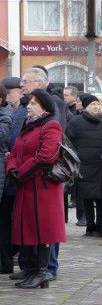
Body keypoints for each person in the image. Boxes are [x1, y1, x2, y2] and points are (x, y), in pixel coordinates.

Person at [5, 89, 65, 289]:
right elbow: (15, 151)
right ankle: (31, 269)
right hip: (27, 186)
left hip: (43, 187)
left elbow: (47, 156)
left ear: (44, 107)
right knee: (28, 228)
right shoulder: (29, 125)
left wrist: (20, 172)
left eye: (33, 104)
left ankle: (42, 272)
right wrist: (12, 168)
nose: (28, 107)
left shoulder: (51, 126)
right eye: (29, 103)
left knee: (43, 231)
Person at [66, 95, 102, 237]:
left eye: (97, 104)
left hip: (100, 167)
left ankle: (99, 227)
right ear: (86, 106)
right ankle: (90, 226)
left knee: (101, 199)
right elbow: (68, 142)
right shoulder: (75, 123)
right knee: (87, 198)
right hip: (84, 167)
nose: (96, 107)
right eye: (93, 104)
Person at [0, 78, 27, 274]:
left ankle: (6, 262)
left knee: (5, 222)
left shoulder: (8, 115)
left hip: (7, 177)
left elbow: (5, 138)